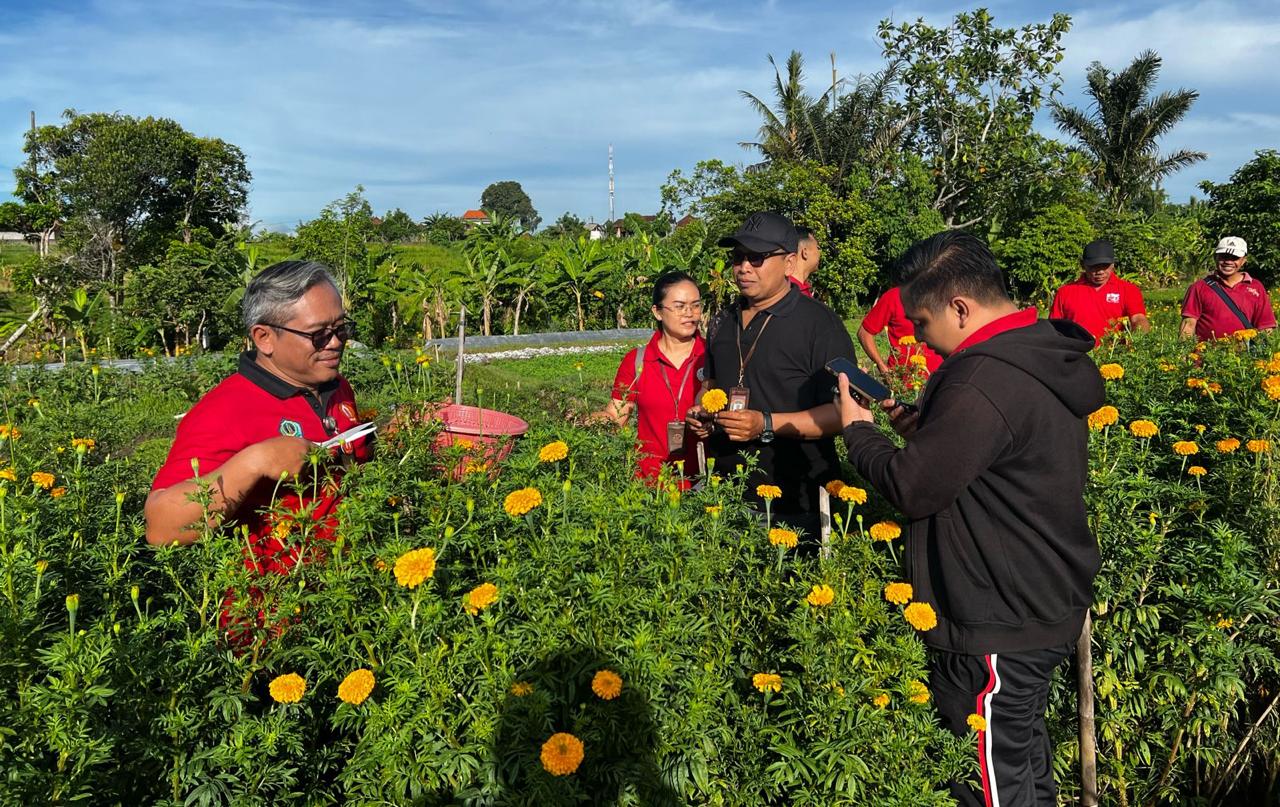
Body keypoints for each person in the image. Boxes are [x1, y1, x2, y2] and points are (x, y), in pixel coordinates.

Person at [837, 231, 1104, 806]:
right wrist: (932, 434)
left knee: (990, 784)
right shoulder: (1036, 350)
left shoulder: (982, 378)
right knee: (1023, 762)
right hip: (1041, 599)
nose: (918, 337)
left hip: (996, 614)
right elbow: (997, 456)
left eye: (922, 323)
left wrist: (857, 431)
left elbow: (912, 488)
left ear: (960, 308)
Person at [146, 261, 373, 574]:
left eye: (340, 328)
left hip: (346, 592)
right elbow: (160, 527)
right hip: (272, 609)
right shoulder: (225, 410)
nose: (335, 342)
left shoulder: (336, 387)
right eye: (319, 335)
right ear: (264, 337)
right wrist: (255, 462)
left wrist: (397, 433)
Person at [687, 211, 856, 534]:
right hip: (727, 495)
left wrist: (765, 423)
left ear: (790, 263)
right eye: (738, 257)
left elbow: (844, 413)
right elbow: (710, 383)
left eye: (758, 257)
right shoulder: (723, 321)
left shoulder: (819, 325)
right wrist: (703, 412)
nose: (744, 267)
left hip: (795, 503)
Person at [601, 271, 706, 483]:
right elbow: (616, 416)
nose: (690, 313)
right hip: (649, 487)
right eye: (679, 306)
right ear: (657, 312)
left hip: (704, 485)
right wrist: (588, 420)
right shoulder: (637, 361)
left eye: (695, 305)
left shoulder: (713, 356)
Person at [1048, 238, 1150, 341]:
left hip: (1114, 353)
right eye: (1094, 266)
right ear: (1083, 265)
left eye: (1105, 266)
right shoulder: (1065, 292)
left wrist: (1137, 338)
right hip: (1076, 353)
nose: (1100, 271)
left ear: (1113, 264)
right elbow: (1054, 327)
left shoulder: (1128, 290)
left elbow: (1138, 318)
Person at [1180, 236, 1276, 340]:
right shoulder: (1199, 288)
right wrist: (1183, 353)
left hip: (1245, 354)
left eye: (1235, 258)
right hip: (1208, 354)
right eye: (1224, 256)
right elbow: (1188, 324)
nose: (1228, 262)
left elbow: (1266, 327)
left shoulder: (1255, 287)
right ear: (1215, 257)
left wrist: (1264, 352)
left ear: (1244, 260)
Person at [857, 285, 944, 380]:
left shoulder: (944, 294)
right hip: (902, 384)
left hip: (940, 380)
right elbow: (864, 333)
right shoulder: (895, 296)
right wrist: (881, 366)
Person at [787, 226, 821, 298]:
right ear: (805, 252)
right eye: (818, 248)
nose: (819, 253)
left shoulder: (802, 290)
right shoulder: (786, 291)